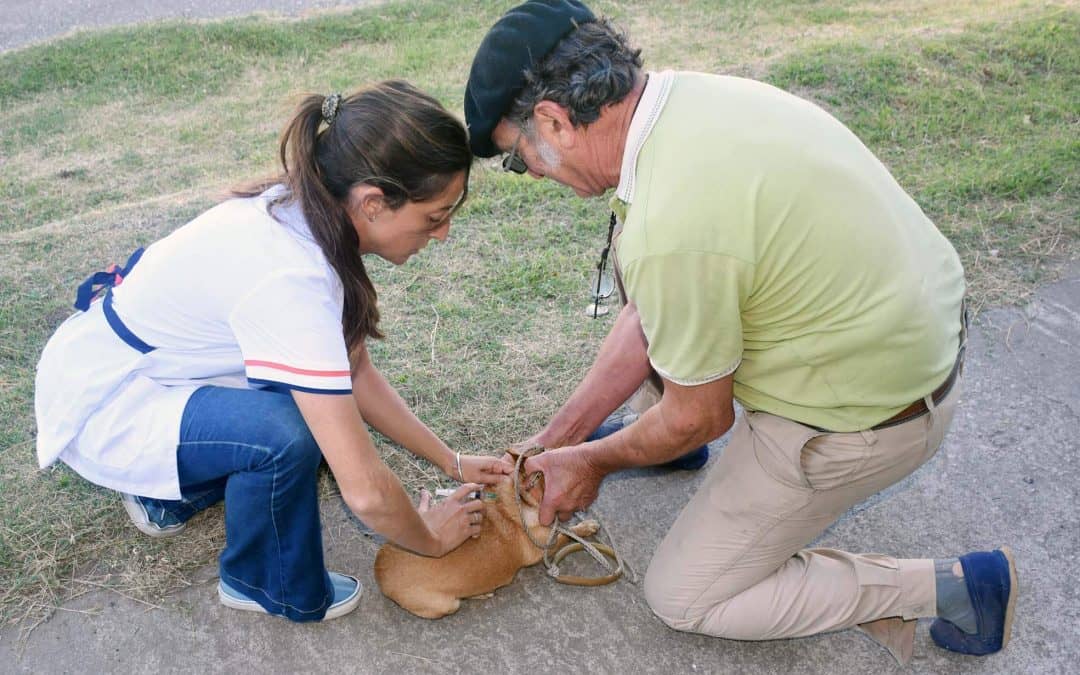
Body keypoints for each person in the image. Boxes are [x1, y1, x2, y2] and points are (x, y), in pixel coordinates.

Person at [463, 0, 1015, 660]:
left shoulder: (673, 226)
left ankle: (954, 585)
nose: (535, 176)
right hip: (907, 338)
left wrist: (593, 462)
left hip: (872, 413)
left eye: (522, 160)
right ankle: (663, 445)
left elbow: (702, 415)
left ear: (554, 120)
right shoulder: (685, 103)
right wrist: (558, 437)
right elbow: (654, 314)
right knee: (662, 288)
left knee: (685, 595)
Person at [35, 80, 512, 622]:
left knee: (308, 401)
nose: (444, 233)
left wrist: (450, 460)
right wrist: (431, 538)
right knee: (293, 428)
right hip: (107, 403)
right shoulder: (293, 278)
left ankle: (166, 497)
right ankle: (266, 582)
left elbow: (355, 374)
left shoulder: (311, 210)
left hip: (141, 372)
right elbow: (366, 492)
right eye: (434, 216)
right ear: (374, 203)